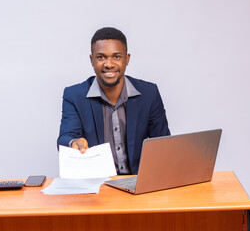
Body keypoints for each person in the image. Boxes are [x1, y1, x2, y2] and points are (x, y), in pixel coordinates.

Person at [57, 27, 170, 175]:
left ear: (127, 59)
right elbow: (65, 138)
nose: (109, 64)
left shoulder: (149, 93)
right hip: (99, 186)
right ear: (92, 60)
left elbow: (163, 144)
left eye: (116, 57)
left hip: (139, 183)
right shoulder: (74, 95)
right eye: (101, 57)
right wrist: (73, 143)